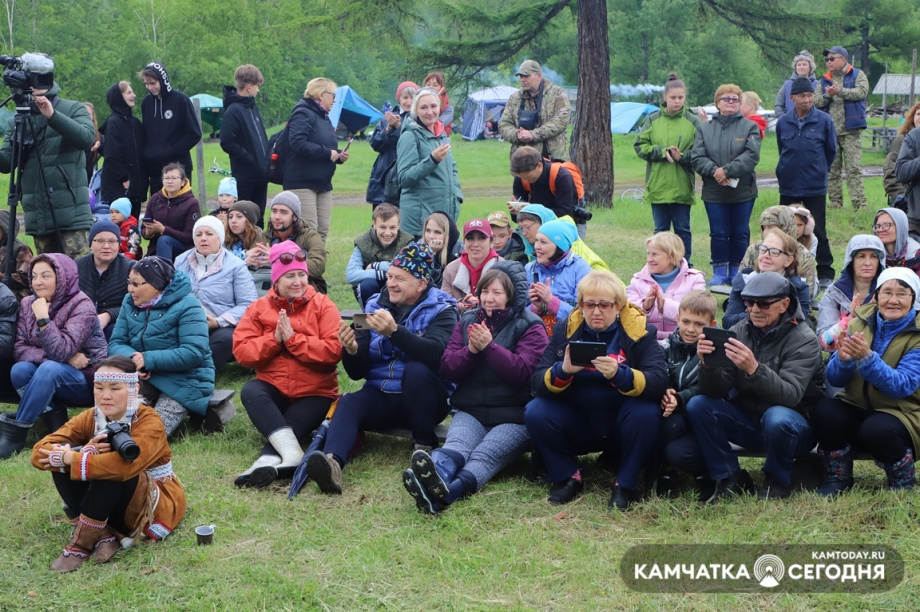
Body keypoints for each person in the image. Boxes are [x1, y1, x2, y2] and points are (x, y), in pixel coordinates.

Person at [305, 242, 459, 495]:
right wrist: (352, 350)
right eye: (389, 276)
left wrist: (395, 333)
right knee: (349, 402)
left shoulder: (443, 308)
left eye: (400, 278)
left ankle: (424, 445)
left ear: (420, 283)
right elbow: (357, 372)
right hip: (382, 394)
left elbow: (437, 355)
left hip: (426, 401)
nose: (391, 283)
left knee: (416, 370)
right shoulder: (374, 304)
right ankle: (332, 463)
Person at [402, 262, 549, 514]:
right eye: (484, 292)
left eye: (497, 293)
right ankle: (431, 474)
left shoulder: (531, 326)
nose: (489, 299)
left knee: (484, 456)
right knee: (457, 447)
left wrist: (490, 348)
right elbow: (447, 366)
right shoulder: (469, 318)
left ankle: (446, 497)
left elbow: (524, 373)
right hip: (471, 409)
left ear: (511, 296)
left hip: (513, 416)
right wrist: (470, 350)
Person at [525, 270, 667, 511]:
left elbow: (658, 381)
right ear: (580, 305)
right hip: (579, 421)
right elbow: (537, 381)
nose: (596, 311)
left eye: (604, 305)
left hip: (621, 424)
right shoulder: (565, 330)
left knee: (645, 411)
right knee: (535, 410)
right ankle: (568, 476)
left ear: (619, 306)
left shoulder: (639, 332)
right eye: (589, 304)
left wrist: (619, 374)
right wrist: (564, 370)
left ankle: (626, 483)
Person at [30, 356, 186, 572]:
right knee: (62, 459)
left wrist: (74, 457)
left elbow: (123, 469)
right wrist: (77, 453)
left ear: (134, 388)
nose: (105, 396)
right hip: (108, 496)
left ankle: (82, 544)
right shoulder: (91, 417)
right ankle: (103, 535)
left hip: (148, 502)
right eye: (99, 387)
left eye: (115, 388)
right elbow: (40, 451)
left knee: (113, 464)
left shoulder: (150, 422)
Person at [687, 272, 824, 501]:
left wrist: (754, 368)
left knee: (777, 417)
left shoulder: (804, 339)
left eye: (763, 303)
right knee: (699, 405)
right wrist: (707, 364)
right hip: (751, 421)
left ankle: (777, 480)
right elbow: (717, 391)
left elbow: (790, 396)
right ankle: (730, 477)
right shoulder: (740, 330)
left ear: (784, 305)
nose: (754, 309)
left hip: (795, 427)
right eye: (749, 302)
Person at [232, 241, 342, 488]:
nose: (297, 282)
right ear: (276, 280)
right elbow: (242, 352)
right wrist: (274, 340)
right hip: (274, 388)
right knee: (251, 390)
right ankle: (290, 457)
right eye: (289, 276)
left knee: (290, 425)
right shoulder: (259, 308)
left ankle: (266, 463)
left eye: (301, 275)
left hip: (315, 392)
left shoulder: (324, 305)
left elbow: (333, 351)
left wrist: (293, 340)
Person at [812, 267, 920, 495]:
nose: (893, 300)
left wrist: (867, 358)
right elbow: (834, 379)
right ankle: (837, 477)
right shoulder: (857, 322)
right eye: (887, 292)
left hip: (902, 412)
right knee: (825, 410)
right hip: (857, 404)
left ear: (914, 298)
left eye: (902, 294)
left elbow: (903, 385)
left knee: (876, 429)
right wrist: (842, 360)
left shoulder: (918, 334)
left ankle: (902, 481)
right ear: (877, 295)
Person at [0, 254, 107, 460]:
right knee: (20, 370)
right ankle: (59, 428)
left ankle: (16, 432)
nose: (38, 282)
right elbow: (20, 349)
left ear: (62, 277)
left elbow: (61, 350)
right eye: (34, 276)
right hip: (56, 370)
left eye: (46, 276)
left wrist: (42, 318)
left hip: (88, 377)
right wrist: (66, 359)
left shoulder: (81, 305)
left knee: (49, 369)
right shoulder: (27, 303)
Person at [0, 53, 96, 258]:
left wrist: (52, 115)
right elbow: (6, 163)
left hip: (72, 215)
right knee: (49, 277)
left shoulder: (72, 108)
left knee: (79, 274)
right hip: (38, 216)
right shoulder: (19, 119)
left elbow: (87, 139)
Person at [108, 257, 215, 436]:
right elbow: (116, 343)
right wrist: (134, 361)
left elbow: (194, 352)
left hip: (185, 380)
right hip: (147, 375)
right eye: (129, 282)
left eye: (136, 284)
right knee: (112, 423)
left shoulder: (188, 305)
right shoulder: (129, 302)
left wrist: (148, 360)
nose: (130, 289)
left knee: (150, 434)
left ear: (157, 285)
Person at [691, 83, 761, 286]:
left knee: (740, 232)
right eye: (726, 99)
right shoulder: (704, 128)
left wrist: (727, 171)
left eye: (735, 99)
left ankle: (739, 272)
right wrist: (716, 172)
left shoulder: (750, 127)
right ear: (717, 103)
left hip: (743, 192)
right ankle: (720, 272)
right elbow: (697, 157)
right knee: (719, 232)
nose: (731, 102)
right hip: (714, 192)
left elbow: (751, 155)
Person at [775, 76, 838, 288]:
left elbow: (831, 151)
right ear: (792, 98)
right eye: (802, 95)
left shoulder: (824, 120)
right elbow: (781, 149)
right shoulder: (783, 122)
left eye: (810, 95)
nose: (807, 99)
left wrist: (819, 169)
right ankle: (785, 268)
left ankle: (825, 271)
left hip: (814, 184)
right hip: (789, 183)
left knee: (817, 229)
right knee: (786, 229)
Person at [657, 290, 719, 500]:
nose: (691, 329)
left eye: (699, 324)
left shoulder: (717, 352)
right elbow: (658, 374)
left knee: (680, 450)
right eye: (686, 321)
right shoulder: (665, 347)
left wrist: (681, 397)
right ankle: (666, 471)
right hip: (673, 414)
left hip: (702, 418)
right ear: (677, 319)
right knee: (668, 424)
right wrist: (665, 392)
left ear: (712, 325)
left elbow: (708, 387)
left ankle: (704, 474)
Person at [175, 217, 258, 374]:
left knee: (225, 340)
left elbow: (248, 304)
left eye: (209, 234)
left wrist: (218, 321)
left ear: (219, 237)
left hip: (221, 325)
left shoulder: (236, 266)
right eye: (198, 234)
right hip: (185, 321)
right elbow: (172, 294)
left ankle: (198, 374)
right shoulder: (181, 261)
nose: (203, 238)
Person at [633, 74, 700, 262]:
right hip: (658, 184)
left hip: (682, 185)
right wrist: (661, 152)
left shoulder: (693, 121)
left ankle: (684, 263)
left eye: (681, 98)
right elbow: (640, 146)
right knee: (660, 230)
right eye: (673, 98)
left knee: (683, 229)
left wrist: (683, 156)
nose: (677, 101)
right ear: (665, 97)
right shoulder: (653, 119)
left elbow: (701, 151)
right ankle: (660, 263)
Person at [283, 77, 349, 243]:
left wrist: (338, 155)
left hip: (323, 183)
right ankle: (302, 268)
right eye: (332, 95)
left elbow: (324, 145)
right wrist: (328, 153)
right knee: (308, 230)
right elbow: (297, 143)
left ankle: (317, 268)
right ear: (320, 94)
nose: (334, 99)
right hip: (302, 182)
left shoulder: (325, 117)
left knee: (323, 230)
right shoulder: (302, 112)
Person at [396, 87, 463, 237]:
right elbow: (404, 178)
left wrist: (457, 198)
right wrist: (432, 160)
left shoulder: (440, 135)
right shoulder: (409, 136)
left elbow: (452, 169)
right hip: (420, 221)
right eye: (424, 107)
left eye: (433, 106)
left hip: (443, 217)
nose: (430, 111)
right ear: (415, 111)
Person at [815, 46, 869, 211]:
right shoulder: (824, 79)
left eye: (832, 59)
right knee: (832, 170)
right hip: (830, 132)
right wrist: (827, 96)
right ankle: (836, 203)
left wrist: (840, 91)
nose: (828, 62)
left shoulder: (857, 74)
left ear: (843, 59)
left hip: (851, 131)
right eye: (827, 59)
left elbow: (862, 92)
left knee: (854, 169)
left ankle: (860, 205)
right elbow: (816, 101)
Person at [724, 228, 811, 329]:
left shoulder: (799, 288)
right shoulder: (744, 281)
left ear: (788, 260)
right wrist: (758, 316)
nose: (766, 255)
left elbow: (797, 323)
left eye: (774, 252)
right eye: (763, 249)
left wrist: (758, 316)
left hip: (781, 343)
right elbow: (728, 321)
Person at [626, 231, 706, 341]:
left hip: (683, 340)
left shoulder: (694, 279)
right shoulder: (637, 280)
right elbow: (627, 314)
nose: (649, 259)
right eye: (648, 254)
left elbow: (699, 313)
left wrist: (664, 306)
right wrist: (644, 306)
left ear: (672, 256)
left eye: (654, 254)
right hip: (646, 340)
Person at [139, 61, 202, 196]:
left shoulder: (181, 100)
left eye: (153, 83)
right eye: (146, 84)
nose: (150, 87)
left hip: (178, 168)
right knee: (158, 211)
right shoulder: (146, 103)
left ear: (163, 80)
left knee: (180, 209)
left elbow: (194, 133)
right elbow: (146, 134)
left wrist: (171, 151)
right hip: (155, 170)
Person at [816, 235, 885, 351]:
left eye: (873, 257)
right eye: (861, 256)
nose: (867, 263)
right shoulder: (834, 292)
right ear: (851, 261)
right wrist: (851, 320)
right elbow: (824, 342)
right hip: (841, 360)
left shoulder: (889, 292)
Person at [525, 219, 593, 334]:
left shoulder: (581, 270)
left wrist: (551, 301)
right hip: (535, 337)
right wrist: (535, 308)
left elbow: (586, 314)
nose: (537, 246)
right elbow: (517, 315)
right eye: (536, 241)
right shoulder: (529, 269)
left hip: (571, 337)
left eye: (543, 242)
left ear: (560, 245)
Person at [220, 64, 269, 222]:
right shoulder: (233, 110)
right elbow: (227, 142)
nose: (258, 90)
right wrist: (249, 159)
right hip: (245, 176)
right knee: (245, 219)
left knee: (259, 217)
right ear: (249, 87)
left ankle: (259, 245)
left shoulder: (252, 108)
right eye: (257, 86)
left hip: (261, 175)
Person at [498, 60, 571, 160]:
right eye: (521, 76)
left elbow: (561, 122)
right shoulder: (514, 98)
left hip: (553, 159)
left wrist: (533, 135)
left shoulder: (557, 94)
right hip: (524, 161)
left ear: (539, 76)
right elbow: (503, 124)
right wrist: (518, 134)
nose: (523, 79)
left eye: (526, 76)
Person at [739, 205, 817, 298]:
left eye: (772, 228)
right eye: (764, 227)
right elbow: (741, 280)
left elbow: (808, 292)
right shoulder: (754, 249)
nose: (766, 232)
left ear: (787, 228)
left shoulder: (803, 254)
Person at [257, 191, 328, 293]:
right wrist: (246, 259)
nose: (277, 216)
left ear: (295, 217)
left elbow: (318, 266)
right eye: (274, 211)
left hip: (301, 289)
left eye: (283, 212)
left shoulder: (309, 236)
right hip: (266, 288)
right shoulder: (262, 238)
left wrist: (279, 259)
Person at [346, 203, 413, 307]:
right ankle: (370, 316)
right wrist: (380, 275)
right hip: (374, 288)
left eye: (392, 227)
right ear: (374, 224)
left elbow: (410, 272)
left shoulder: (408, 243)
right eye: (382, 227)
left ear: (399, 225)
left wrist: (376, 265)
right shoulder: (363, 242)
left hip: (400, 290)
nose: (387, 233)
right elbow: (351, 275)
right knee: (367, 284)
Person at [76, 220, 132, 340]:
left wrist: (108, 315)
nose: (106, 246)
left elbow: (135, 304)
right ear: (91, 243)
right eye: (100, 241)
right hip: (80, 323)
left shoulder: (131, 269)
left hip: (115, 324)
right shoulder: (76, 267)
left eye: (112, 241)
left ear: (118, 244)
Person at [99, 81, 147, 219]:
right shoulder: (113, 122)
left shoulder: (135, 123)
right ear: (119, 97)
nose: (134, 95)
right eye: (129, 93)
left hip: (135, 188)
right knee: (119, 229)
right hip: (119, 186)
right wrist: (124, 178)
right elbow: (112, 153)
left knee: (133, 226)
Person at [366, 81, 418, 207]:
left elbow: (416, 143)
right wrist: (388, 129)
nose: (408, 102)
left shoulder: (419, 119)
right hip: (385, 169)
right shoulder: (387, 118)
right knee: (382, 215)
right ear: (399, 99)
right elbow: (375, 144)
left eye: (412, 98)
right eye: (405, 97)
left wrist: (398, 127)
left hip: (407, 169)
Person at [141, 162, 201, 262]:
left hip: (183, 250)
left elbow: (191, 237)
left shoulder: (192, 203)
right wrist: (148, 232)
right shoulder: (155, 199)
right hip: (155, 250)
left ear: (183, 182)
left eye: (174, 178)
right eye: (166, 178)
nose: (170, 181)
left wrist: (163, 230)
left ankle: (165, 274)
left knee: (164, 239)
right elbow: (143, 229)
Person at [441, 218, 502, 312]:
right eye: (470, 238)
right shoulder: (451, 269)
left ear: (491, 242)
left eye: (482, 238)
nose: (475, 244)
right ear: (463, 242)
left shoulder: (504, 268)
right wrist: (460, 307)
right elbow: (443, 306)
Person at [510, 146, 577, 220]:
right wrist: (515, 211)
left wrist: (532, 210)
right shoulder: (521, 178)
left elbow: (565, 214)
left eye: (529, 177)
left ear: (539, 165)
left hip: (565, 222)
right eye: (521, 177)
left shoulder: (562, 176)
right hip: (535, 222)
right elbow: (518, 220)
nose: (525, 181)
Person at [883, 102, 920, 208]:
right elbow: (890, 174)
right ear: (912, 117)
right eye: (918, 114)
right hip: (907, 201)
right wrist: (904, 197)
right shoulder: (902, 140)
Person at [873, 207, 920, 275]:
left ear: (900, 227)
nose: (880, 230)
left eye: (886, 225)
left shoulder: (916, 255)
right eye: (877, 226)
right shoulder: (873, 253)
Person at [420, 211, 461, 288]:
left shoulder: (458, 254)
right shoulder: (417, 249)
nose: (431, 236)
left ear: (448, 235)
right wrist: (432, 254)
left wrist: (433, 255)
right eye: (428, 230)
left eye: (437, 232)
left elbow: (436, 286)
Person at [0, 209, 33, 301]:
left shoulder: (21, 249)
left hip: (16, 295)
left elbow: (27, 278)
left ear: (6, 228)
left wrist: (3, 277)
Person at [224, 199, 268, 265]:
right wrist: (245, 255)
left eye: (239, 217)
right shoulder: (224, 240)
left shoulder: (261, 241)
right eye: (230, 217)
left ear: (249, 220)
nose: (233, 221)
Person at [774, 51, 817, 116]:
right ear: (795, 67)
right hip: (791, 123)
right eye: (799, 65)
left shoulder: (818, 85)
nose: (801, 67)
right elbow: (778, 105)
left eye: (804, 64)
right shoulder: (787, 85)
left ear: (810, 67)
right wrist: (783, 120)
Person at [423, 72, 453, 136]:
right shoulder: (419, 105)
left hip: (440, 141)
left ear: (442, 88)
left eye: (435, 85)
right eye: (428, 84)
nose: (431, 87)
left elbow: (437, 125)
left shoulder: (448, 109)